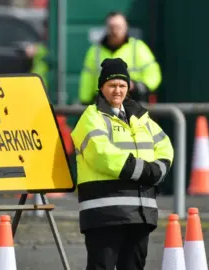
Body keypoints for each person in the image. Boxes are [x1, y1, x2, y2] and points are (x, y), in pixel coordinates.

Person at [71, 58, 173, 270]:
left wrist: (158, 169)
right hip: (105, 214)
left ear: (128, 88)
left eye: (122, 85)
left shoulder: (141, 118)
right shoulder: (92, 117)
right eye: (112, 85)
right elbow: (102, 155)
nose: (117, 90)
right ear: (101, 87)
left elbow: (164, 147)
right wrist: (147, 172)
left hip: (140, 213)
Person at [78, 12, 162, 105]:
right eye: (111, 27)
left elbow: (153, 75)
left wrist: (136, 86)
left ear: (126, 27)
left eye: (118, 27)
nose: (115, 31)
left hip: (133, 104)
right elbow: (87, 78)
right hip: (103, 105)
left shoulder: (138, 48)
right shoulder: (95, 50)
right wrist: (84, 101)